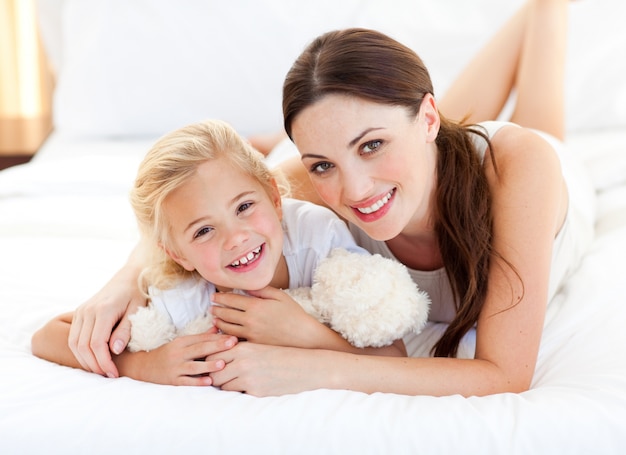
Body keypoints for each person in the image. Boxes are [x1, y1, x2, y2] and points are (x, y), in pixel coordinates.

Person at [60, 0, 593, 396]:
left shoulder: (522, 170)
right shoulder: (307, 182)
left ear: (423, 119)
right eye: (322, 163)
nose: (354, 191)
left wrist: (318, 362)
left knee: (534, 131)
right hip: (431, 144)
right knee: (430, 136)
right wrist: (123, 282)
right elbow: (199, 216)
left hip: (535, 172)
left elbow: (504, 375)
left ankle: (544, 9)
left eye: (373, 145)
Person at [31, 119, 407, 385]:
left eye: (244, 207)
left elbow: (393, 358)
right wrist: (144, 366)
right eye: (204, 230)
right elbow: (47, 336)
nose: (236, 238)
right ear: (178, 255)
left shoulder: (318, 238)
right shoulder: (184, 288)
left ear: (275, 200)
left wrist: (306, 334)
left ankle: (270, 138)